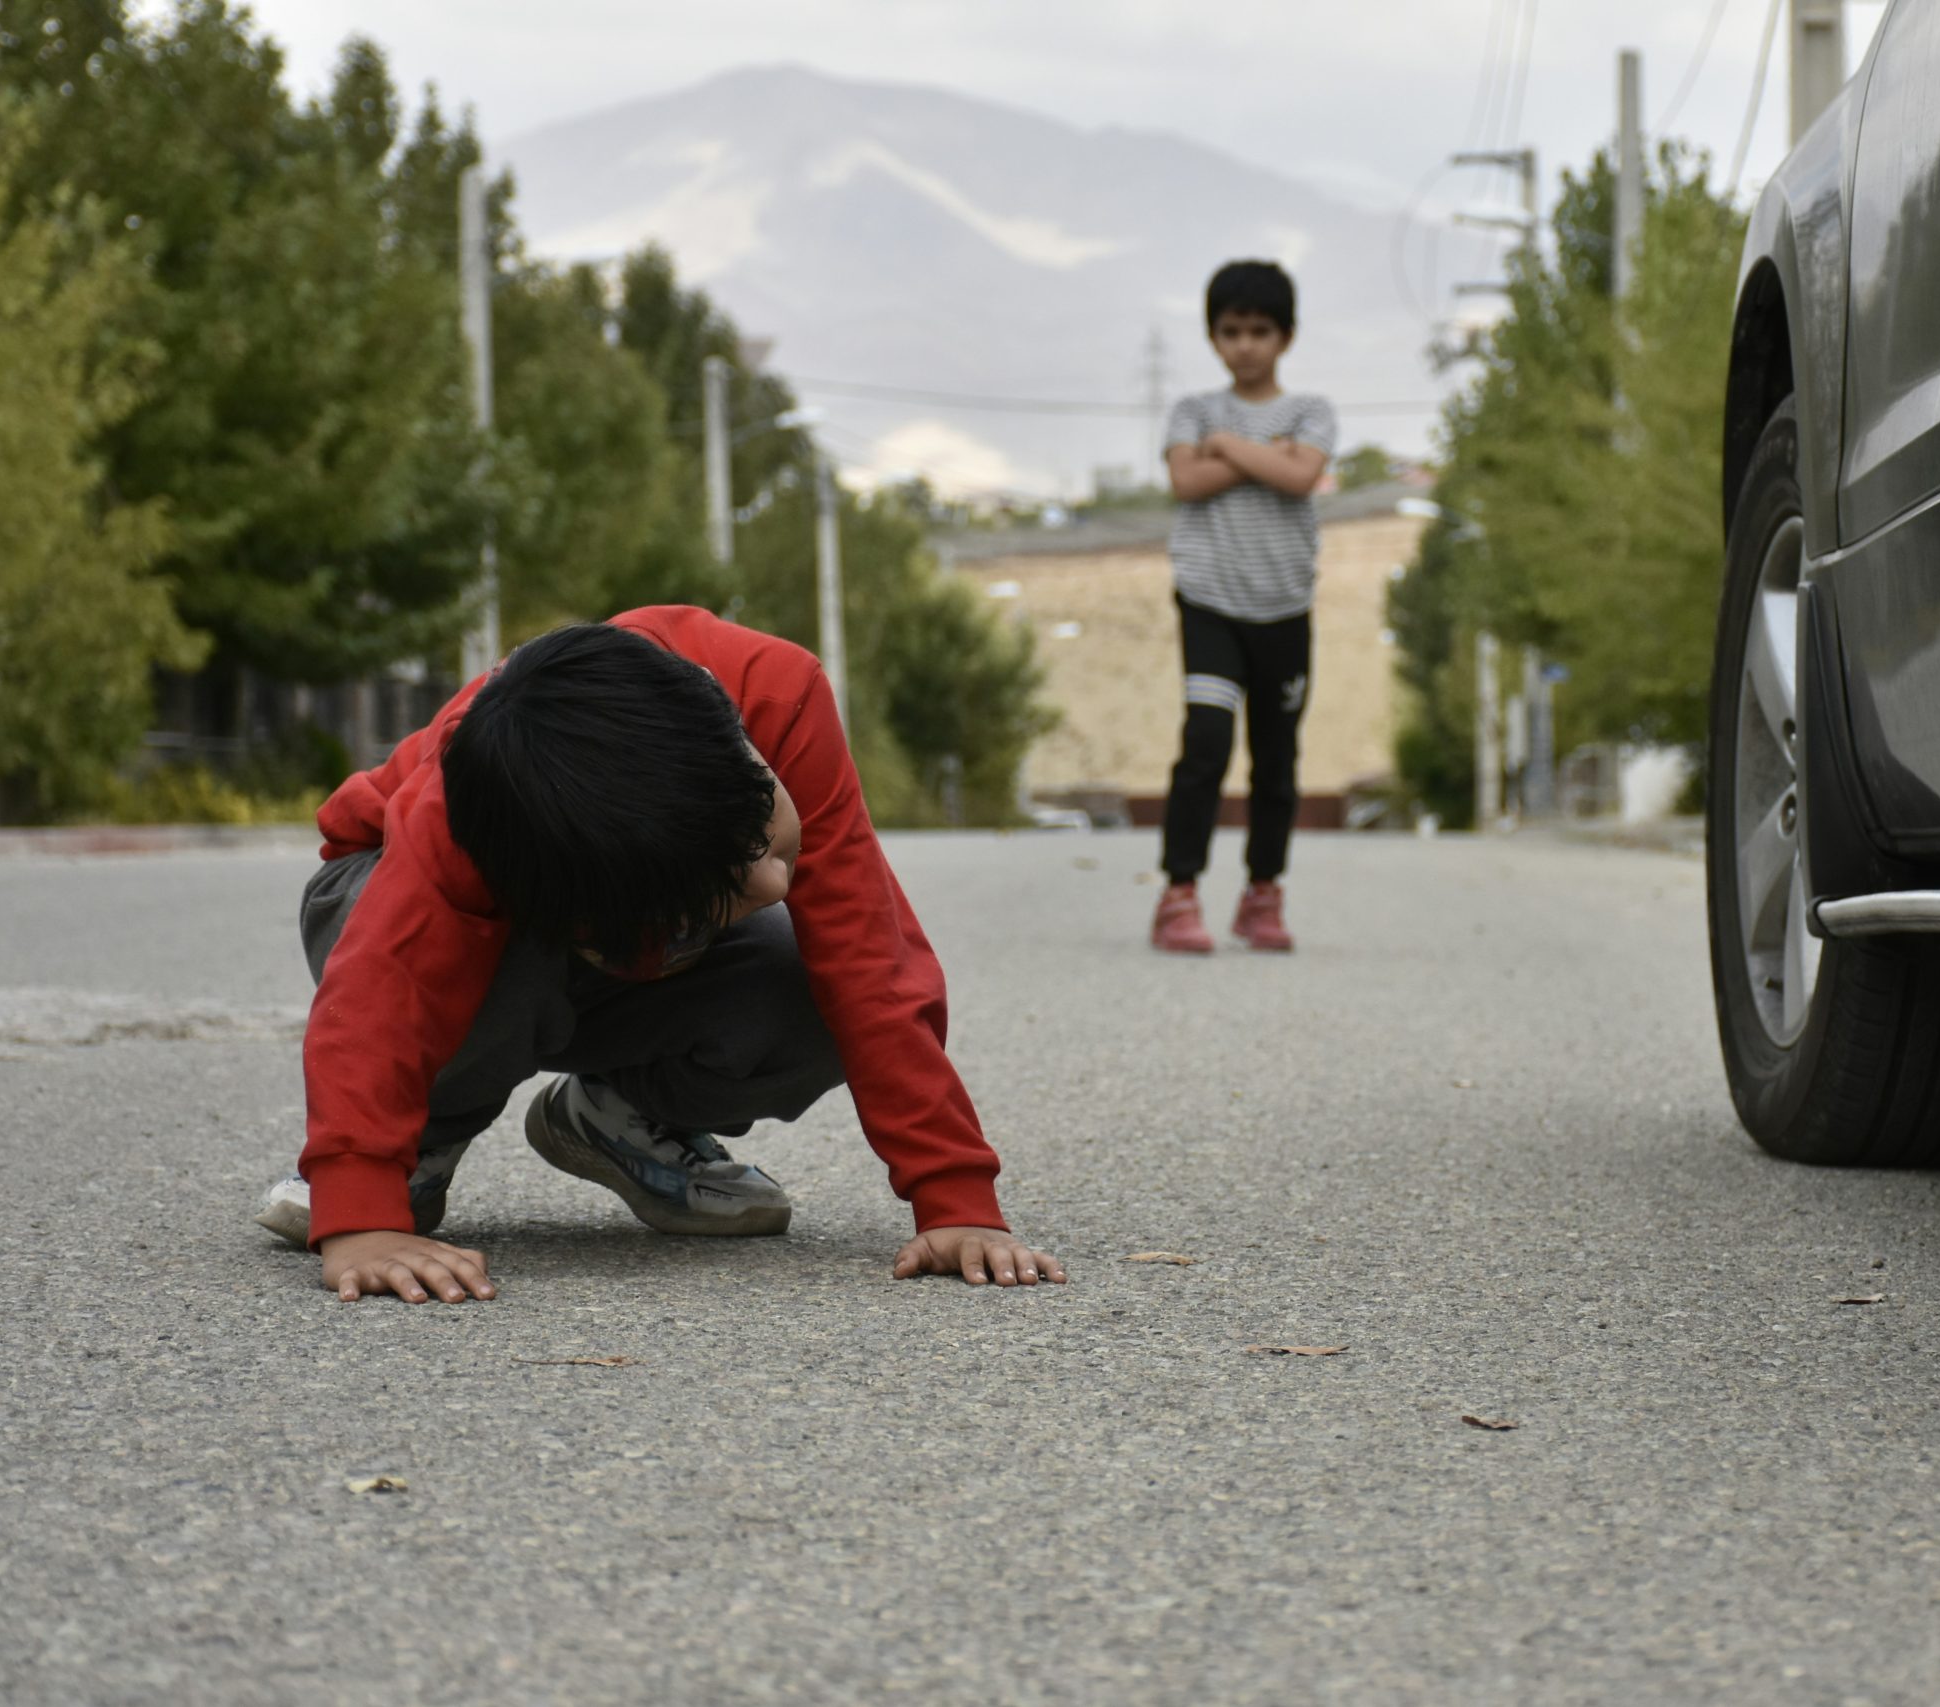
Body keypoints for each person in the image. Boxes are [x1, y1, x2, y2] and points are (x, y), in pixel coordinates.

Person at [251, 606, 1066, 1303]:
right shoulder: (462, 811)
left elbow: (870, 964)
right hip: (386, 903)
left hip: (614, 931)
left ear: (739, 738)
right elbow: (381, 991)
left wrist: (956, 1199)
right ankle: (423, 1132)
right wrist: (360, 1214)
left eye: (760, 826)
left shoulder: (774, 693)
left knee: (808, 982)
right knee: (478, 952)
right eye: (725, 890)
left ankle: (618, 1115)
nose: (771, 878)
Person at [1150, 258, 1336, 955]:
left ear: (1285, 336)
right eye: (1232, 331)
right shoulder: (1194, 411)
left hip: (1284, 608)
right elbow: (1185, 479)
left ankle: (1263, 894)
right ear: (1213, 336)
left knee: (1277, 759)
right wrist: (1260, 452)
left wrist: (1228, 450)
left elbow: (1301, 475)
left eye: (1260, 330)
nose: (1246, 345)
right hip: (1210, 602)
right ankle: (1179, 892)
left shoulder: (1313, 411)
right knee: (1205, 740)